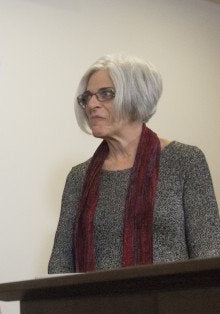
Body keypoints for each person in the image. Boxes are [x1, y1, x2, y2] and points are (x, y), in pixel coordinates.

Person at [48, 54, 220, 273]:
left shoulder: (185, 161)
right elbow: (60, 266)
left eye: (105, 94)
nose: (91, 104)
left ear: (136, 96)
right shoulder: (78, 177)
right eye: (87, 97)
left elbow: (209, 255)